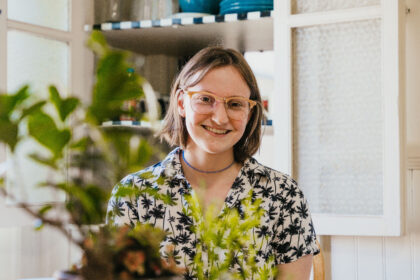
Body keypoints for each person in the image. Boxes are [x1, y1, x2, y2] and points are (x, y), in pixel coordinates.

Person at [107, 47, 319, 279]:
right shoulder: (133, 195)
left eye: (235, 104)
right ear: (181, 102)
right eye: (205, 99)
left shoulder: (284, 195)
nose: (220, 117)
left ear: (249, 112)